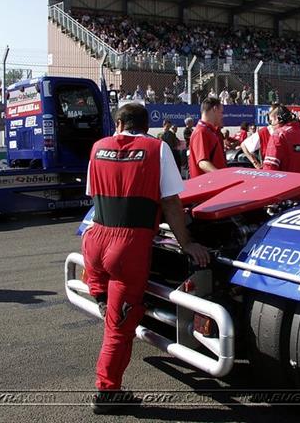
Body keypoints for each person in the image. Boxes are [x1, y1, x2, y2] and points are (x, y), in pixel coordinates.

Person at [82, 103, 209, 413]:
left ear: (120, 123)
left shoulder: (98, 147)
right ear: (145, 124)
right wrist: (187, 243)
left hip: (95, 240)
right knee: (119, 326)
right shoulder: (157, 148)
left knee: (108, 302)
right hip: (128, 247)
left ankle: (101, 297)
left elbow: (93, 194)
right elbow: (170, 203)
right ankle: (108, 393)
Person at [188, 97, 226, 178]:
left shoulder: (209, 131)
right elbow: (203, 163)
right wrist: (223, 177)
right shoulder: (201, 132)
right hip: (207, 186)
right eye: (221, 112)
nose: (222, 116)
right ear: (215, 109)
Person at [240, 104, 280, 169]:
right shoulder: (264, 132)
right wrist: (255, 163)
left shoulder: (287, 131)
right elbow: (244, 145)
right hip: (270, 173)